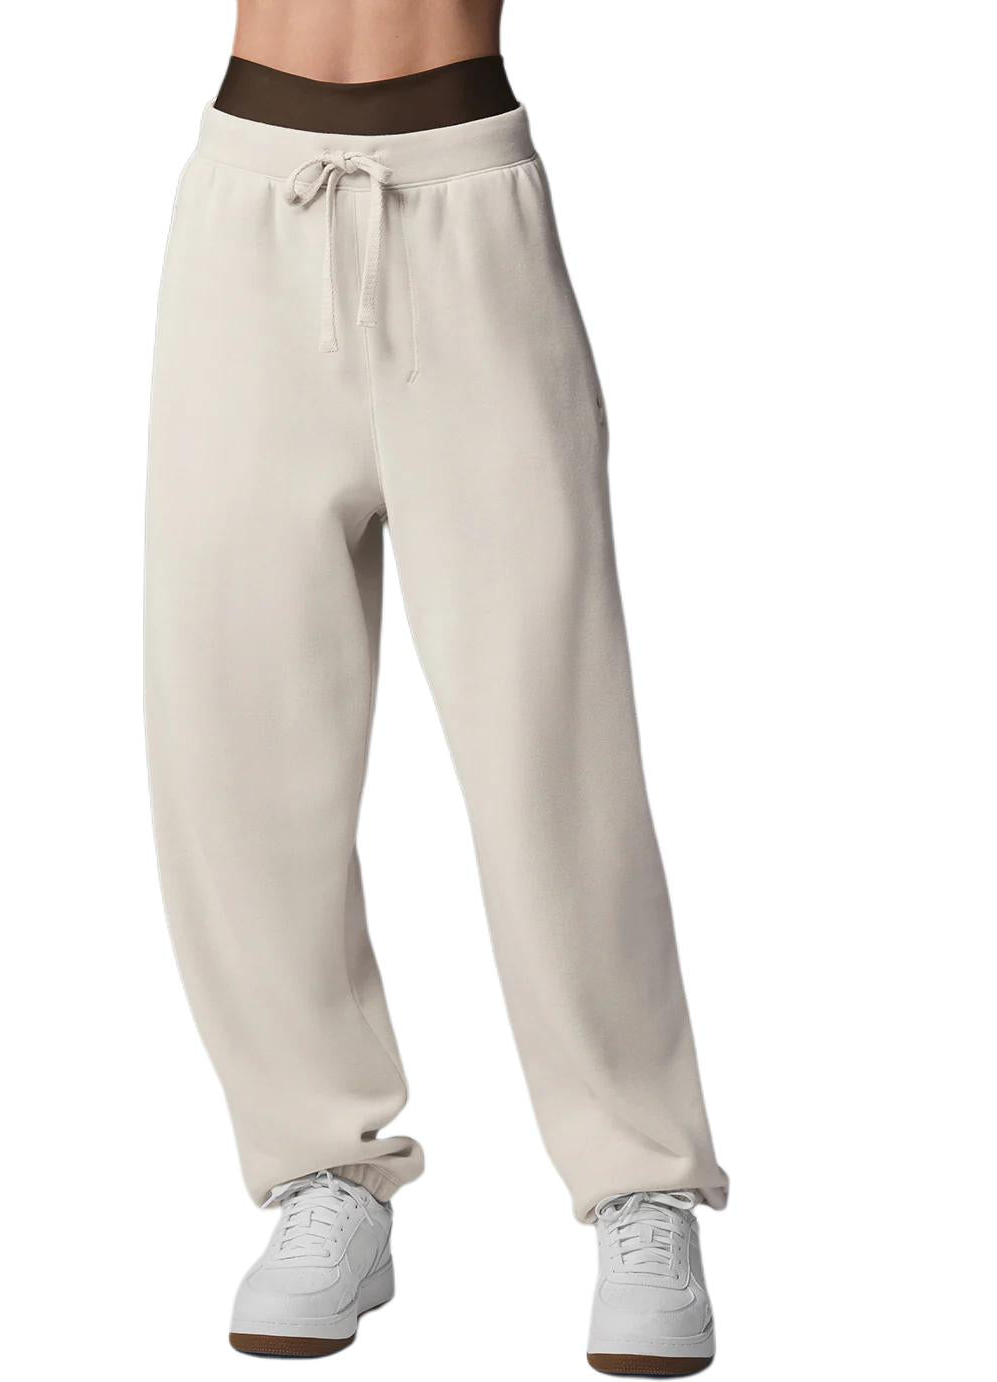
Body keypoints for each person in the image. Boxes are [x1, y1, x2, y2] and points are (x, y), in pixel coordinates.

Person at [144, 2, 727, 1373]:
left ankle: (640, 1179)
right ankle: (321, 1171)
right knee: (236, 729)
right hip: (248, 203)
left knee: (551, 740)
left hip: (470, 201)